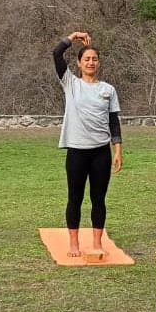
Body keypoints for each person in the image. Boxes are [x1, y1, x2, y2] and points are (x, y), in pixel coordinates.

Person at [53, 31, 122, 257]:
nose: (91, 62)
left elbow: (114, 123)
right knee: (75, 197)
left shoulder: (108, 90)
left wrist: (117, 150)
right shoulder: (70, 83)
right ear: (79, 63)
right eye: (87, 59)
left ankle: (97, 242)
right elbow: (56, 53)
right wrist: (72, 37)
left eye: (94, 59)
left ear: (98, 63)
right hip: (77, 152)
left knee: (98, 199)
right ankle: (74, 243)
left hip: (101, 152)